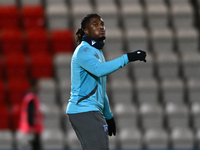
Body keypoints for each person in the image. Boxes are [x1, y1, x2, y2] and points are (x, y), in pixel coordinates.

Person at [66, 13, 146, 150]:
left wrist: (108, 116)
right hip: (84, 110)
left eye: (102, 24)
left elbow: (100, 90)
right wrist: (128, 57)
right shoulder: (84, 50)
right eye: (95, 24)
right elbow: (99, 70)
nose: (101, 27)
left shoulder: (96, 51)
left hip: (91, 111)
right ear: (86, 31)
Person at [17, 79, 44, 150]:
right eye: (38, 85)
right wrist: (31, 127)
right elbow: (30, 113)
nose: (39, 87)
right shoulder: (31, 97)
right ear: (34, 85)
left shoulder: (29, 96)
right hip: (30, 130)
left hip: (30, 129)